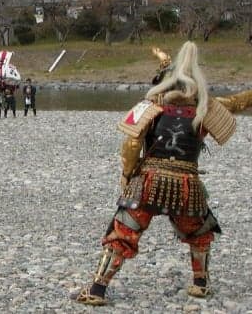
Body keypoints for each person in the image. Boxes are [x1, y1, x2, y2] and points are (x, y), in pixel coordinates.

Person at [75, 42, 237, 306]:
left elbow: (131, 144)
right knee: (199, 232)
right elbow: (236, 103)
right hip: (186, 185)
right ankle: (201, 284)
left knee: (123, 232)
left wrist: (127, 174)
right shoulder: (205, 108)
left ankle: (97, 288)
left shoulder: (151, 105)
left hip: (148, 182)